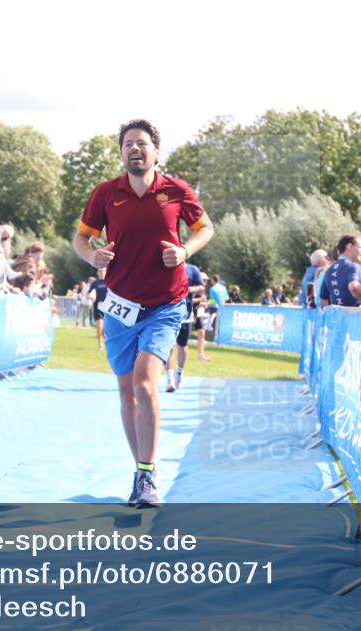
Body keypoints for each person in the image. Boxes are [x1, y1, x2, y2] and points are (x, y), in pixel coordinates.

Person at [72, 118, 214, 508]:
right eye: (128, 144)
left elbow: (206, 229)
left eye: (142, 143)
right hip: (120, 304)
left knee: (146, 383)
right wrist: (91, 256)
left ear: (156, 150)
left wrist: (186, 252)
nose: (135, 149)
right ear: (121, 153)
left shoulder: (176, 190)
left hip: (165, 305)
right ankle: (141, 471)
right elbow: (81, 238)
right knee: (126, 390)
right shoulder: (106, 193)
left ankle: (147, 476)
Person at [165, 263, 204, 392]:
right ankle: (169, 379)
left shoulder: (193, 269)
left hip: (186, 313)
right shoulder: (166, 266)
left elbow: (201, 287)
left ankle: (179, 373)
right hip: (167, 311)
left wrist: (187, 289)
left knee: (182, 346)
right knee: (169, 346)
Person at [319, 235, 361, 308]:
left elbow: (323, 300)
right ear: (349, 246)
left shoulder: (329, 270)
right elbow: (353, 286)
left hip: (337, 316)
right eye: (360, 247)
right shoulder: (352, 266)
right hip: (354, 314)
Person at [87, 268, 108, 350]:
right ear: (97, 273)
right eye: (100, 271)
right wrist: (91, 296)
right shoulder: (95, 283)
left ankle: (105, 341)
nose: (102, 273)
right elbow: (89, 294)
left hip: (109, 308)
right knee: (99, 326)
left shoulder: (109, 281)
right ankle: (100, 345)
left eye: (104, 271)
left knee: (105, 328)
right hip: (98, 307)